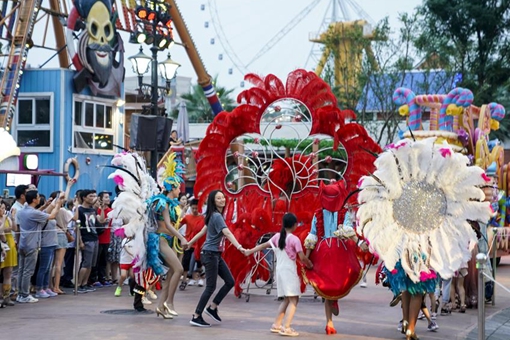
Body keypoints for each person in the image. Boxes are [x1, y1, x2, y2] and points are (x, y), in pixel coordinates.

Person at [303, 181, 366, 335]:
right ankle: (331, 313)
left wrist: (306, 259)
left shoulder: (318, 214)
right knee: (335, 283)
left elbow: (312, 237)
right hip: (339, 251)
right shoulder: (343, 213)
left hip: (323, 251)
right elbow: (348, 231)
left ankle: (329, 321)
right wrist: (360, 242)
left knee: (327, 286)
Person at [245, 213, 313, 336]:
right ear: (295, 225)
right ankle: (286, 327)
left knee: (286, 298)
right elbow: (302, 257)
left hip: (280, 271)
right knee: (294, 299)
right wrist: (310, 265)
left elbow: (263, 245)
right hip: (289, 271)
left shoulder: (277, 236)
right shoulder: (294, 239)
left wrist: (250, 251)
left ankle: (277, 324)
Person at [188, 190, 246, 327]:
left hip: (215, 254)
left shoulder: (215, 215)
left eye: (223, 197)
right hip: (210, 254)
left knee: (230, 281)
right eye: (218, 198)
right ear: (213, 201)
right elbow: (226, 232)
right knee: (210, 286)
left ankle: (212, 307)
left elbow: (203, 231)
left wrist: (190, 242)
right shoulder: (216, 216)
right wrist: (239, 247)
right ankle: (196, 315)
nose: (222, 200)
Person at [147, 153, 189, 319]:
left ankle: (160, 307)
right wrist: (182, 237)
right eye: (178, 187)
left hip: (168, 241)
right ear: (172, 188)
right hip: (161, 240)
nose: (180, 190)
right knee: (178, 269)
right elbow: (168, 225)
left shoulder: (171, 203)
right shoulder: (163, 203)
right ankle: (169, 302)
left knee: (172, 273)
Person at [16, 190, 64, 303]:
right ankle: (25, 295)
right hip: (32, 245)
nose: (39, 198)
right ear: (33, 199)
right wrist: (57, 205)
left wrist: (44, 206)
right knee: (28, 271)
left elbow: (38, 213)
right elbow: (51, 216)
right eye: (37, 197)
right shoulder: (33, 213)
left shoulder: (23, 211)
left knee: (21, 270)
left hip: (23, 244)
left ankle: (20, 294)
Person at [75, 189, 106, 293]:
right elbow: (77, 226)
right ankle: (78, 285)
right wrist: (80, 241)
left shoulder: (92, 210)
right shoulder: (79, 210)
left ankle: (85, 283)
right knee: (86, 263)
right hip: (86, 239)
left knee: (91, 264)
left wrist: (101, 208)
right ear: (84, 197)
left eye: (94, 196)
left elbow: (101, 221)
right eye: (90, 196)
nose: (93, 198)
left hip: (95, 238)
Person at [179, 199, 205, 290]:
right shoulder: (187, 217)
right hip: (188, 243)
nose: (195, 210)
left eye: (196, 208)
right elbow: (179, 224)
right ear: (190, 208)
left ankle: (201, 277)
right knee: (185, 262)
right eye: (193, 208)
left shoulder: (203, 218)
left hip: (198, 244)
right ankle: (184, 280)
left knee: (199, 262)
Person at [0, 200, 16, 306]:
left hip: (9, 244)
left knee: (8, 272)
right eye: (1, 208)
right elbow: (1, 231)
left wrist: (12, 218)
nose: (2, 210)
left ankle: (6, 296)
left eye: (3, 208)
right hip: (2, 244)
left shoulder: (7, 218)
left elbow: (13, 228)